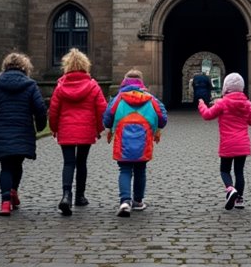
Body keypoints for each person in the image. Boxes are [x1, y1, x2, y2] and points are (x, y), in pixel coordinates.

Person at [0, 51, 48, 216]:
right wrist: (40, 126)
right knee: (17, 164)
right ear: (25, 67)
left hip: (2, 130)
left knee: (5, 167)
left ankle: (5, 202)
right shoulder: (30, 85)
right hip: (23, 130)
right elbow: (40, 109)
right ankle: (13, 191)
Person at [48, 48, 108, 216]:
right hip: (86, 130)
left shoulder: (60, 86)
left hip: (66, 130)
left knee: (68, 163)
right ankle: (80, 196)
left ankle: (66, 195)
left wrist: (54, 128)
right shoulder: (93, 85)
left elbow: (53, 111)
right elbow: (101, 110)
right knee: (81, 163)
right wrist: (98, 129)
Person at [102, 69, 168, 217]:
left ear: (124, 81)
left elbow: (107, 117)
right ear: (141, 82)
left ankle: (125, 201)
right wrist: (156, 128)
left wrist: (108, 127)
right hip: (143, 139)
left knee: (124, 170)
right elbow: (163, 118)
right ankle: (138, 201)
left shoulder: (118, 98)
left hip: (122, 139)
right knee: (140, 169)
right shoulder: (151, 98)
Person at [197, 72, 251, 210]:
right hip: (242, 144)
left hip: (227, 144)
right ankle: (239, 199)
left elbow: (207, 115)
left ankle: (231, 189)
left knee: (225, 170)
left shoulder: (223, 103)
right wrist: (249, 109)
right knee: (239, 172)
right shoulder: (247, 104)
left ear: (226, 88)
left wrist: (201, 104)